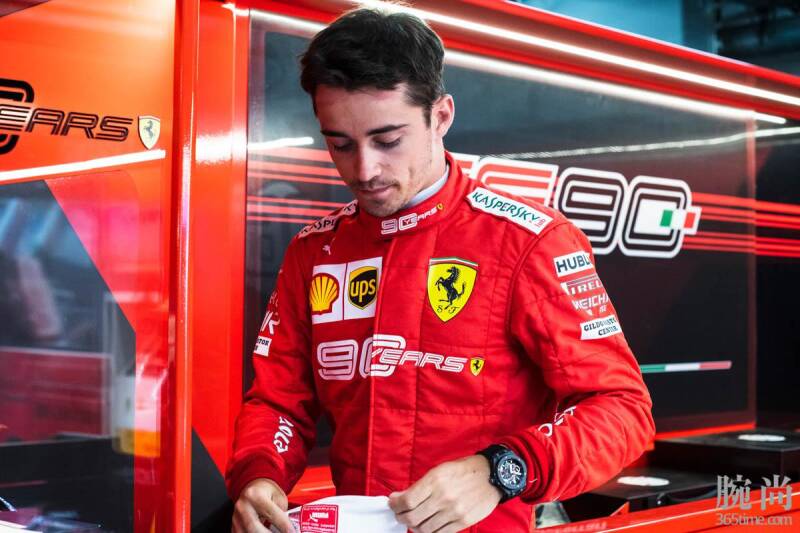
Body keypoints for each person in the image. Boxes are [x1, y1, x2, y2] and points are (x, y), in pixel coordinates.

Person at [227, 7, 655, 533]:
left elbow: (622, 409)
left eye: (388, 140)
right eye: (340, 144)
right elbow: (279, 403)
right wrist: (258, 476)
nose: (364, 169)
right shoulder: (314, 252)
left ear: (441, 116)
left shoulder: (528, 241)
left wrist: (501, 470)